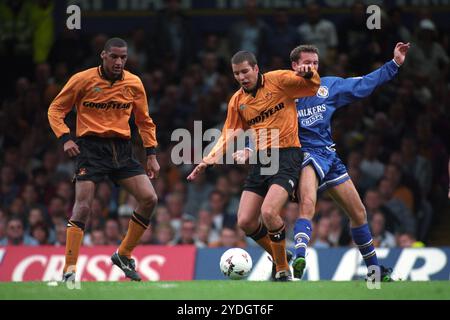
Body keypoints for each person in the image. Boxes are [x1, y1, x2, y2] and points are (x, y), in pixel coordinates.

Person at [235, 43, 409, 281]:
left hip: (328, 155)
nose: (313, 67)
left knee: (359, 213)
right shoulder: (281, 89)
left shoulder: (327, 86)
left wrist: (395, 64)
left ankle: (374, 271)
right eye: (308, 63)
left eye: (316, 63)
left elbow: (363, 84)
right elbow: (260, 124)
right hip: (300, 156)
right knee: (307, 203)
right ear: (295, 66)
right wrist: (248, 147)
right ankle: (299, 255)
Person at [187, 50, 320, 281]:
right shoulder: (238, 101)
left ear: (256, 69)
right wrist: (208, 160)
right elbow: (228, 133)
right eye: (236, 73)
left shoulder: (279, 80)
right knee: (246, 221)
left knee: (268, 212)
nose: (241, 77)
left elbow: (311, 88)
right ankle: (281, 256)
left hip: (287, 155)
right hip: (261, 159)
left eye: (245, 71)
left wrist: (310, 73)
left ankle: (281, 270)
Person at [48, 37, 160, 282]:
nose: (119, 62)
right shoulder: (82, 79)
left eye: (123, 57)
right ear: (103, 55)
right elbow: (56, 109)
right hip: (90, 149)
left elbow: (144, 121)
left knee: (149, 198)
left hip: (122, 149)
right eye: (114, 57)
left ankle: (123, 254)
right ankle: (69, 270)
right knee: (84, 206)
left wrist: (151, 154)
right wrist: (65, 138)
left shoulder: (134, 83)